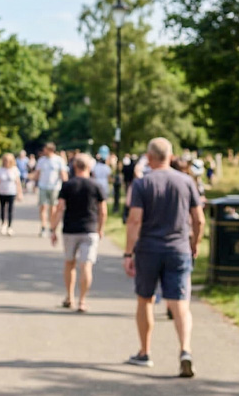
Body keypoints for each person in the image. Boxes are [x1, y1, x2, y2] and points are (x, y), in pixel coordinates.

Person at [123, 138, 204, 378]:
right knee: (180, 303)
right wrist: (195, 244)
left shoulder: (142, 184)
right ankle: (185, 350)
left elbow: (135, 219)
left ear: (149, 157)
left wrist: (129, 252)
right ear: (170, 156)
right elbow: (199, 219)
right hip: (178, 248)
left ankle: (145, 352)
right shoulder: (186, 181)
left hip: (148, 248)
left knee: (145, 299)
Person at [50, 154, 107, 313]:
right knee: (86, 266)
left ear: (75, 167)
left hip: (70, 230)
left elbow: (60, 207)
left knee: (69, 263)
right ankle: (82, 300)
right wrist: (101, 228)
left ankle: (69, 297)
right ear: (89, 167)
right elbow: (103, 210)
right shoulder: (96, 186)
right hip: (89, 229)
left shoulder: (68, 185)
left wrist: (52, 228)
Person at [30, 142, 69, 238]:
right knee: (43, 207)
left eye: (45, 149)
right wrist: (34, 183)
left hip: (55, 187)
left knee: (53, 208)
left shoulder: (58, 160)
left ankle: (52, 227)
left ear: (50, 150)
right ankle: (43, 227)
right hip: (43, 186)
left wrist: (67, 186)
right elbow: (37, 173)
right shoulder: (42, 160)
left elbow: (63, 174)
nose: (44, 151)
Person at [0, 153, 23, 236]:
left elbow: (18, 182)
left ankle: (10, 227)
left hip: (11, 192)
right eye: (5, 160)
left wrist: (19, 193)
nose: (7, 162)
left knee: (10, 210)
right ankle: (3, 224)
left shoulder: (14, 169)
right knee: (2, 209)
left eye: (8, 161)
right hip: (2, 192)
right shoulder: (0, 170)